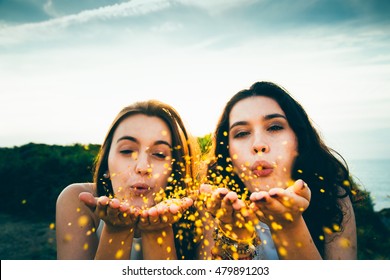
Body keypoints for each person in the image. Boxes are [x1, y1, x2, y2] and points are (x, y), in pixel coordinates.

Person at [200, 81, 358, 260]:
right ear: (227, 150)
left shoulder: (331, 194)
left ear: (298, 138)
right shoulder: (216, 203)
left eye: (275, 127)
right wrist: (236, 238)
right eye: (242, 133)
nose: (258, 144)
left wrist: (289, 226)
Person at [56, 100, 201, 260]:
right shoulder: (78, 200)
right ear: (106, 165)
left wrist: (157, 230)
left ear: (174, 169)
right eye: (127, 151)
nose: (143, 167)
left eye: (159, 154)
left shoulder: (197, 211)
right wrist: (116, 231)